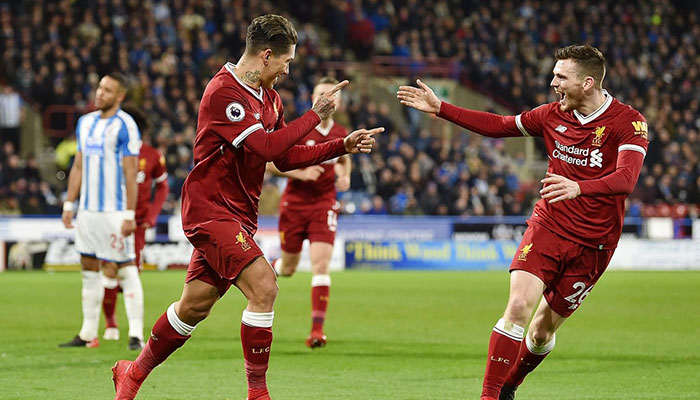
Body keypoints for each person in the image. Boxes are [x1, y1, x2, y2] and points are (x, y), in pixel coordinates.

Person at [111, 14, 382, 400]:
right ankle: (258, 394)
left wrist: (341, 146)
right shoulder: (224, 92)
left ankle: (133, 373)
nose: (287, 71)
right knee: (265, 286)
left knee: (194, 306)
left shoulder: (270, 98)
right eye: (286, 62)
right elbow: (266, 148)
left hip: (239, 214)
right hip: (210, 210)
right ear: (266, 56)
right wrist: (315, 116)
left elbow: (284, 157)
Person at [397, 44, 648, 399]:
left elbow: (626, 179)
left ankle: (510, 385)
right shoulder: (550, 115)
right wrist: (442, 109)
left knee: (541, 333)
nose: (553, 83)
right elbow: (499, 125)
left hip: (595, 243)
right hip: (549, 225)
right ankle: (489, 396)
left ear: (587, 83)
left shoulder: (628, 122)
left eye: (561, 77)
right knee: (517, 306)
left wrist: (579, 187)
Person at [59, 73, 145, 351]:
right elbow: (78, 166)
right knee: (88, 268)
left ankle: (136, 334)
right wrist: (70, 203)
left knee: (126, 268)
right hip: (87, 212)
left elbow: (130, 174)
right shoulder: (85, 123)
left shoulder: (125, 125)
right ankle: (87, 334)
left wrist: (130, 214)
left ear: (120, 96)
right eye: (99, 88)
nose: (100, 93)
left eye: (107, 90)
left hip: (114, 212)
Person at [268, 76, 352, 348]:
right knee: (288, 268)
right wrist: (301, 174)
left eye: (333, 94)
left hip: (324, 204)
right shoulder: (299, 130)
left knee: (321, 264)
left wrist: (345, 175)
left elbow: (344, 158)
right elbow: (268, 163)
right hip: (294, 205)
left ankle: (317, 331)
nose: (328, 97)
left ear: (339, 101)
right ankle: (269, 268)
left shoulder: (341, 132)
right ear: (313, 99)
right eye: (322, 93)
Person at [101, 105, 169, 342]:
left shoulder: (152, 156)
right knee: (110, 269)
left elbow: (163, 187)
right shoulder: (111, 153)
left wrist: (152, 215)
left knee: (130, 273)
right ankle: (112, 324)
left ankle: (132, 330)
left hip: (138, 224)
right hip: (112, 220)